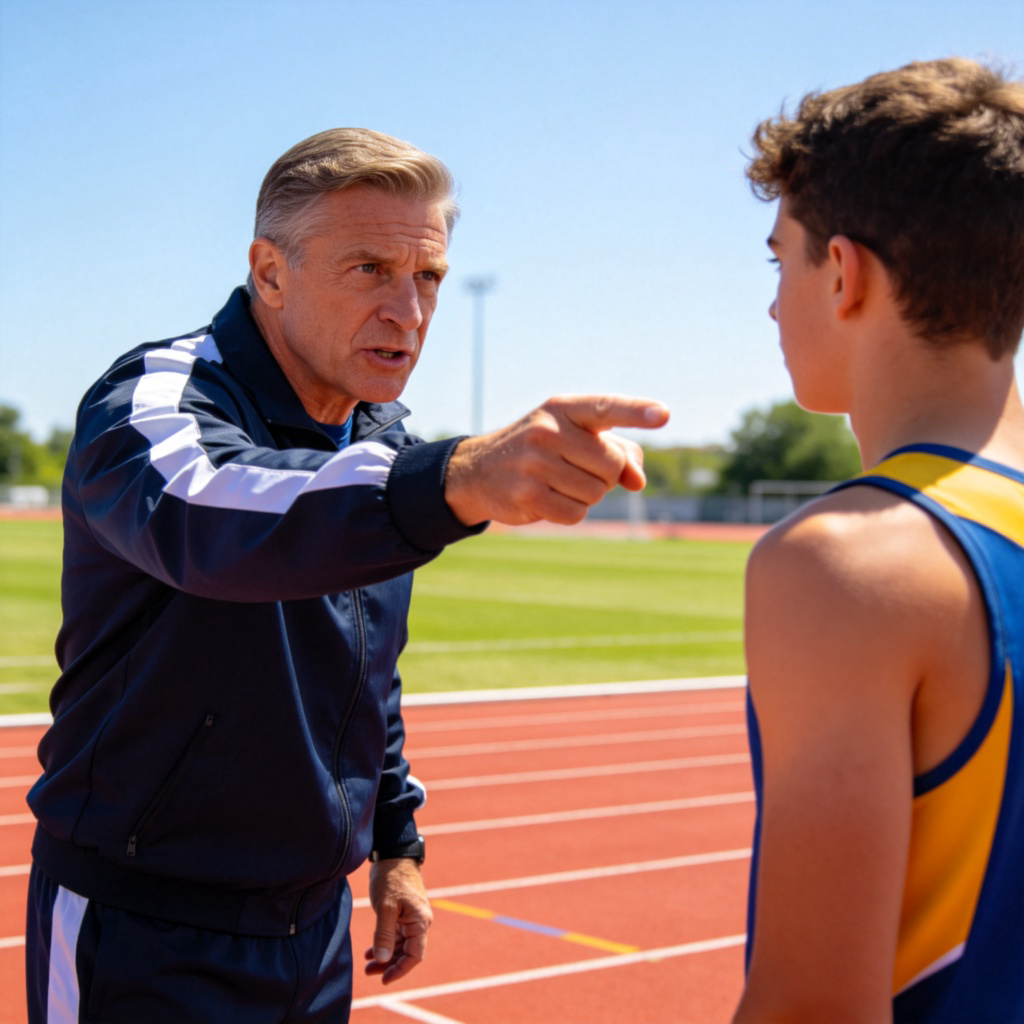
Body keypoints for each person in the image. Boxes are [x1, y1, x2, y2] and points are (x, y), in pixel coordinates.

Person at [25, 127, 670, 1024]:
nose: (408, 310)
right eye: (369, 269)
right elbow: (203, 510)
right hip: (145, 927)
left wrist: (396, 843)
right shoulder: (155, 400)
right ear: (271, 271)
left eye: (429, 277)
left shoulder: (379, 442)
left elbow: (364, 670)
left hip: (315, 932)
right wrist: (452, 479)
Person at [732, 59, 1024, 1023]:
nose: (775, 303)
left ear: (846, 273)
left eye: (782, 260)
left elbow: (809, 1010)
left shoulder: (848, 565)